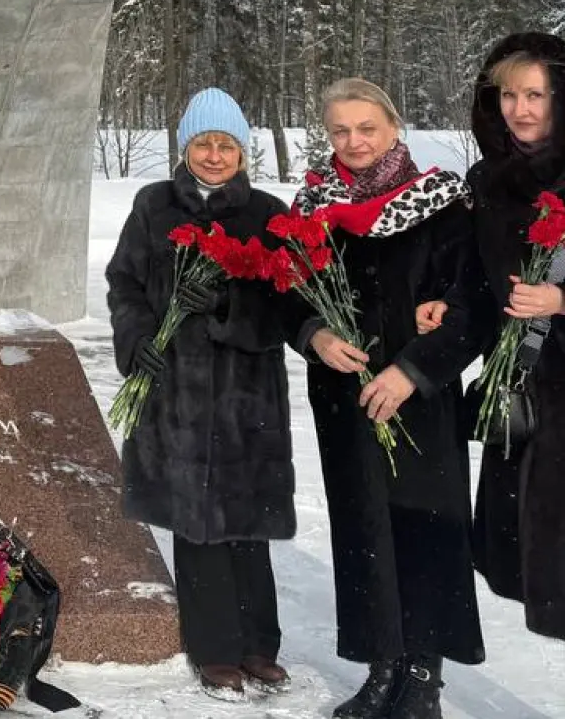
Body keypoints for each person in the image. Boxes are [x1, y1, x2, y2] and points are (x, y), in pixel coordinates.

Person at [292, 78, 487, 719]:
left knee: (424, 529)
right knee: (365, 531)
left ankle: (423, 677)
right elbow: (284, 290)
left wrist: (413, 371)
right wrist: (314, 334)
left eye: (366, 128)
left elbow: (473, 302)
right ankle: (382, 666)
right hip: (344, 396)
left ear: (394, 127)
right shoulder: (313, 207)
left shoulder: (443, 203)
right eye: (340, 130)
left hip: (419, 398)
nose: (354, 141)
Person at [106, 89, 294, 700]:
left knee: (247, 521)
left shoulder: (267, 213)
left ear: (243, 152)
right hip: (174, 391)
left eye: (226, 145)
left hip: (246, 396)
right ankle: (214, 648)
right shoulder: (153, 205)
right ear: (185, 147)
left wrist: (226, 307)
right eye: (203, 144)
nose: (214, 155)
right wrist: (139, 339)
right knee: (194, 520)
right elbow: (124, 282)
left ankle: (259, 644)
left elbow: (285, 304)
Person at [462, 32, 565, 643]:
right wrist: (444, 306)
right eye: (508, 95)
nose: (519, 109)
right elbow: (477, 281)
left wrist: (560, 300)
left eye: (536, 95)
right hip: (523, 396)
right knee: (538, 569)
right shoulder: (488, 180)